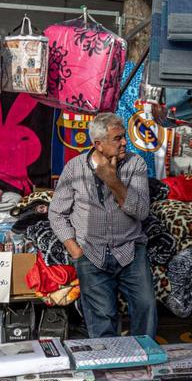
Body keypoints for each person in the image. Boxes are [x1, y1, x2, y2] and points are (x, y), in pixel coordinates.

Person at [48, 112, 157, 338]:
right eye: (117, 138)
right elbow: (57, 212)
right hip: (90, 252)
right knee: (102, 317)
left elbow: (141, 211)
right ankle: (109, 368)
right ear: (98, 144)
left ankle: (145, 363)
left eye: (124, 136)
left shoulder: (134, 164)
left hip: (130, 249)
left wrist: (112, 180)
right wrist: (75, 250)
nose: (125, 142)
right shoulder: (74, 168)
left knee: (145, 306)